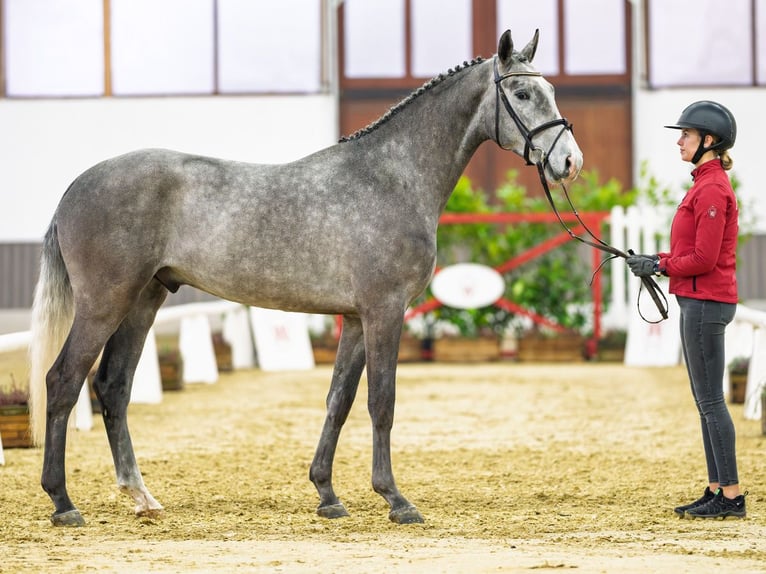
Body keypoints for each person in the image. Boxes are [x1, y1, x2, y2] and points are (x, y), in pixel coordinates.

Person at [626, 100, 747, 519]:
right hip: (698, 300)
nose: (679, 141)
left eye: (686, 135)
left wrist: (660, 266)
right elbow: (687, 251)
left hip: (706, 302)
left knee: (711, 400)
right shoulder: (702, 184)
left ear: (707, 141)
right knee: (705, 400)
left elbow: (705, 259)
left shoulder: (712, 189)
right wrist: (655, 258)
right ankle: (717, 488)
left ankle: (731, 496)